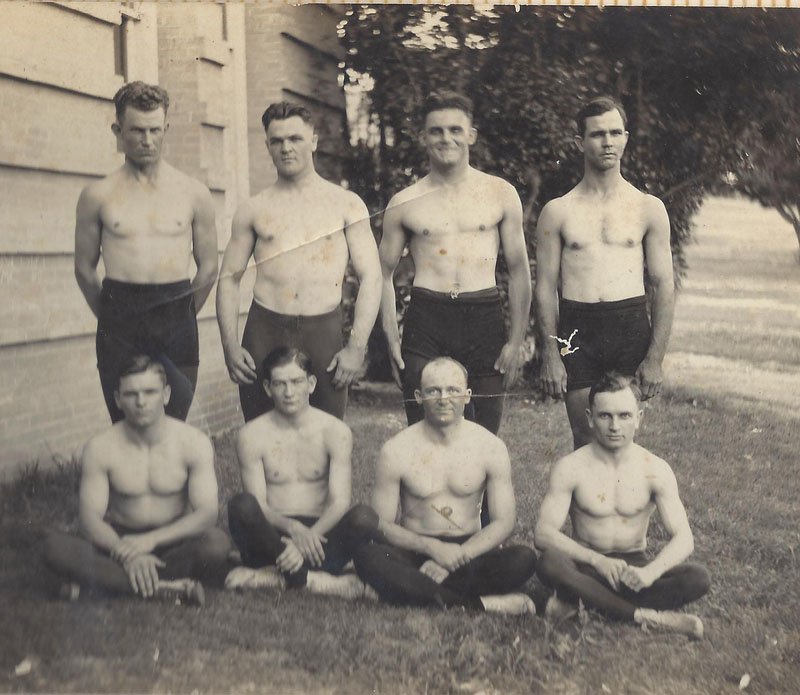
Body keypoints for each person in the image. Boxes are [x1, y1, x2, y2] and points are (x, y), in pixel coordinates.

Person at [217, 102, 381, 422]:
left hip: (323, 332)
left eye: (295, 138)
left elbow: (372, 277)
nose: (286, 148)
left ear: (314, 142)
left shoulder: (345, 204)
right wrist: (230, 346)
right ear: (267, 146)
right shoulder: (253, 209)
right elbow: (228, 278)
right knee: (262, 433)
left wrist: (356, 346)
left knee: (326, 434)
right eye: (276, 141)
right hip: (265, 330)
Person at [379, 91, 531, 436]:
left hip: (484, 319)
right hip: (427, 321)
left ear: (471, 135)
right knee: (423, 433)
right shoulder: (405, 202)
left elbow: (520, 270)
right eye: (436, 131)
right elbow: (382, 275)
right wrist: (391, 336)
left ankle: (483, 494)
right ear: (423, 137)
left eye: (455, 130)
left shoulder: (500, 193)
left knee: (484, 434)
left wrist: (516, 339)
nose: (446, 138)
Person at [535, 95, 675, 449]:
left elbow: (663, 285)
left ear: (626, 137)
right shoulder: (558, 211)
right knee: (584, 439)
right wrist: (551, 354)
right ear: (580, 142)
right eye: (598, 134)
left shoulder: (648, 208)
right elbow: (545, 287)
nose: (608, 142)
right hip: (578, 331)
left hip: (628, 326)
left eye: (615, 133)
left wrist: (655, 358)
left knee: (624, 442)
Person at [74, 81, 218, 422]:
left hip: (176, 314)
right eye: (137, 130)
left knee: (174, 424)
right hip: (119, 314)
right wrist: (113, 315)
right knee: (126, 427)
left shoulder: (194, 193)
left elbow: (209, 267)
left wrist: (180, 312)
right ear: (118, 131)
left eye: (155, 130)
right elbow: (83, 268)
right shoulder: (98, 194)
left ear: (166, 128)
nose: (147, 140)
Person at [43, 355, 231, 605]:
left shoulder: (193, 442)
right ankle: (165, 586)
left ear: (165, 394)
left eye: (149, 392)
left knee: (216, 544)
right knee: (52, 546)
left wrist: (150, 541)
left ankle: (110, 584)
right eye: (131, 394)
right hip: (120, 541)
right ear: (118, 400)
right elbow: (89, 520)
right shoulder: (100, 447)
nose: (141, 402)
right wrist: (127, 554)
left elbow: (207, 514)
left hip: (175, 541)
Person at [354, 358, 537, 614]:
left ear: (467, 396)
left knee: (523, 559)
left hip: (469, 551)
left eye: (453, 390)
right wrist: (433, 549)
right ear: (418, 397)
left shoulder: (490, 447)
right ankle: (476, 605)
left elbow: (504, 522)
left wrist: (457, 555)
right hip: (415, 548)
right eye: (433, 391)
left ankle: (416, 592)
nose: (444, 398)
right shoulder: (396, 449)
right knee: (368, 556)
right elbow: (381, 524)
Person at [534, 373, 710, 638]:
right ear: (590, 418)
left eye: (624, 416)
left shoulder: (656, 469)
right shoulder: (570, 468)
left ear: (639, 418)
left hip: (634, 571)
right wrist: (598, 561)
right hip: (587, 566)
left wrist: (650, 573)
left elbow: (684, 538)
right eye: (605, 416)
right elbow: (543, 534)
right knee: (550, 562)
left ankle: (581, 605)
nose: (615, 426)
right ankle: (644, 616)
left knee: (698, 577)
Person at [225, 347, 378, 597]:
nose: (289, 392)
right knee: (241, 505)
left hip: (321, 537)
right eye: (279, 384)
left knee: (365, 517)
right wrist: (293, 530)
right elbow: (258, 504)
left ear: (311, 384)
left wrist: (309, 536)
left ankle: (275, 575)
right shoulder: (251, 435)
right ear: (267, 388)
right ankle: (317, 581)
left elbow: (339, 502)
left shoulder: (335, 431)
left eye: (296, 382)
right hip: (273, 534)